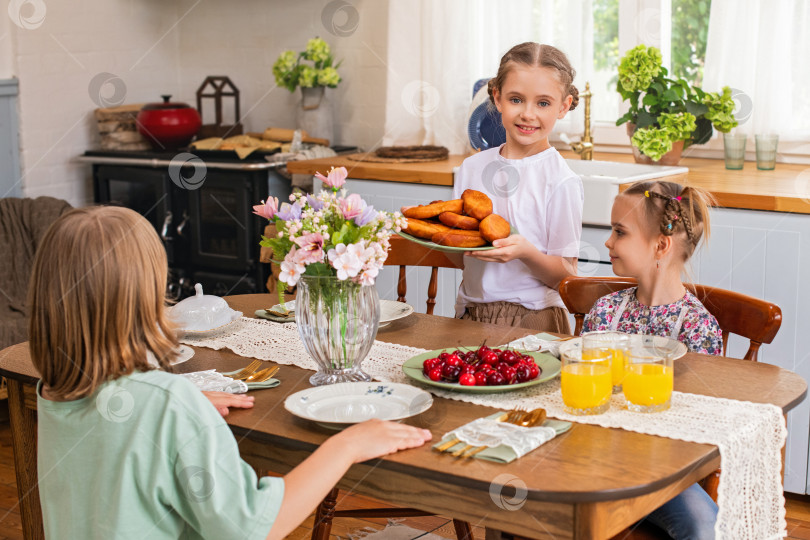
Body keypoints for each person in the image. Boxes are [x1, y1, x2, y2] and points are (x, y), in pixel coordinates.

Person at [29, 206, 432, 540]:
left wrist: (176, 406)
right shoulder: (167, 405)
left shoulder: (53, 391)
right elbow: (254, 526)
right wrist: (347, 445)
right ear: (146, 297)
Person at [583, 180, 722, 539]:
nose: (608, 242)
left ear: (661, 245)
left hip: (662, 471)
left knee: (705, 526)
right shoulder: (605, 311)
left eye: (619, 232)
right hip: (588, 458)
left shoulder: (697, 327)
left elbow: (696, 422)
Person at [453, 42, 584, 334]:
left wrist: (526, 252)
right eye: (516, 99)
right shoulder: (471, 169)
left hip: (535, 318)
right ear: (497, 98)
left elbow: (566, 276)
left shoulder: (561, 180)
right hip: (471, 312)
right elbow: (457, 253)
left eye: (543, 103)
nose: (527, 114)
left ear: (563, 106)